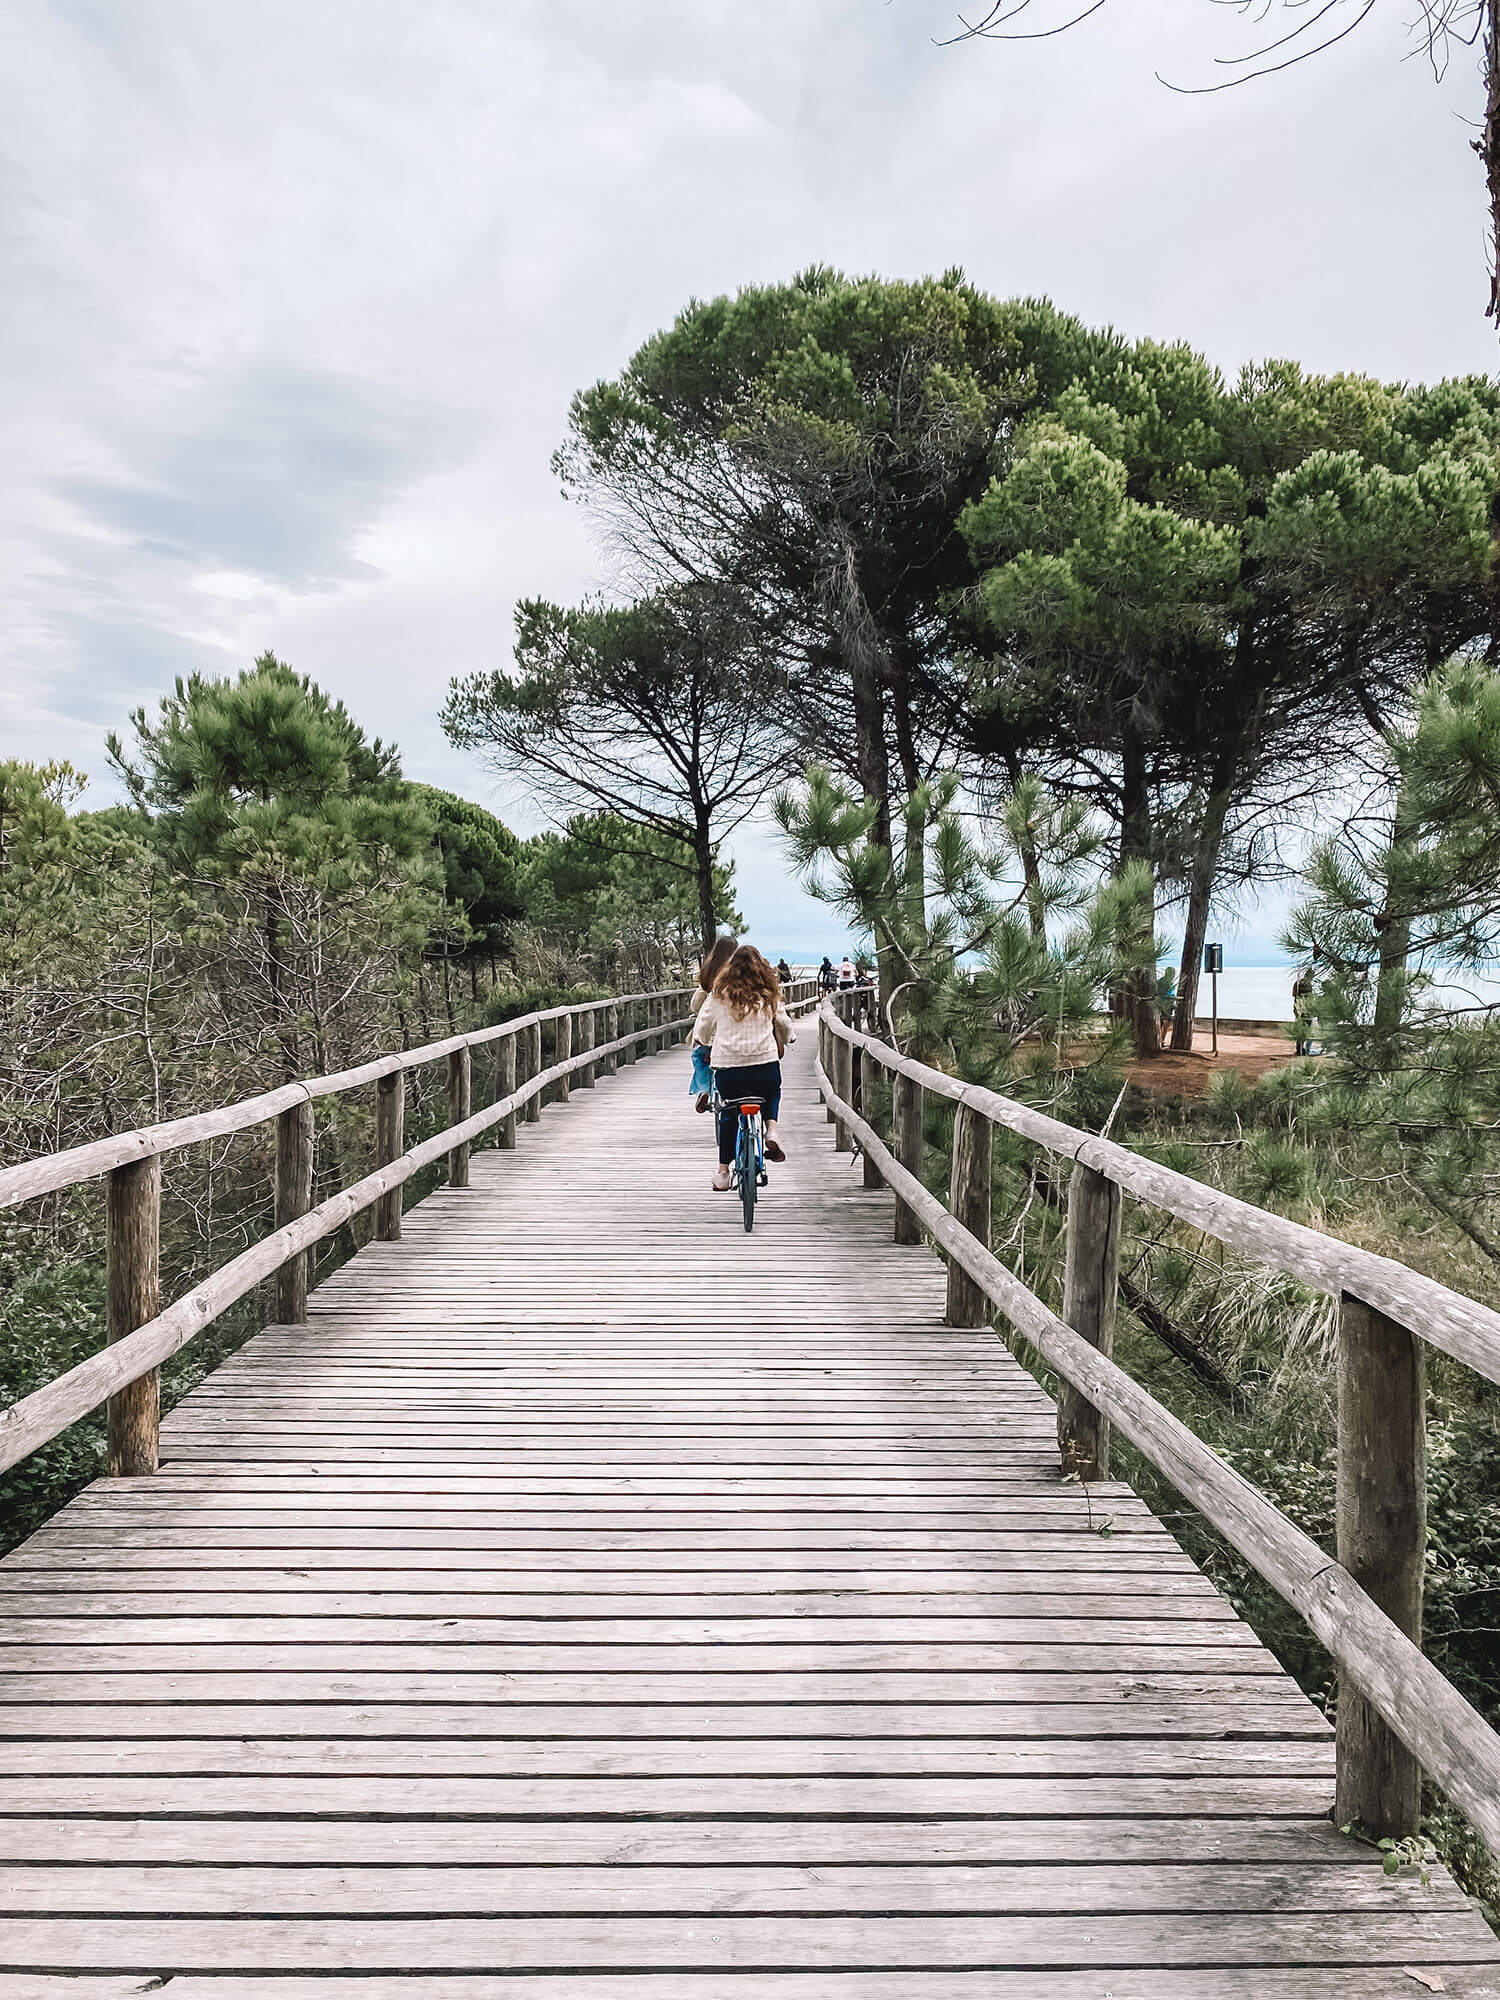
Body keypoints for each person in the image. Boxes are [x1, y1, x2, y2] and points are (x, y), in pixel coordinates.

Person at [694, 945, 796, 1190]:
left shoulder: (718, 993)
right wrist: (790, 1037)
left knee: (729, 1112)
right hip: (764, 1065)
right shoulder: (768, 992)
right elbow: (783, 1023)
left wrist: (704, 1041)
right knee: (773, 1092)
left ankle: (722, 1172)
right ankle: (771, 1131)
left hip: (729, 1070)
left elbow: (703, 1026)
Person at [688, 934, 738, 1113]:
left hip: (710, 1034)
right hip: (733, 1033)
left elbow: (695, 1005)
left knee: (699, 1057)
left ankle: (703, 1089)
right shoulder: (740, 974)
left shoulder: (710, 974)